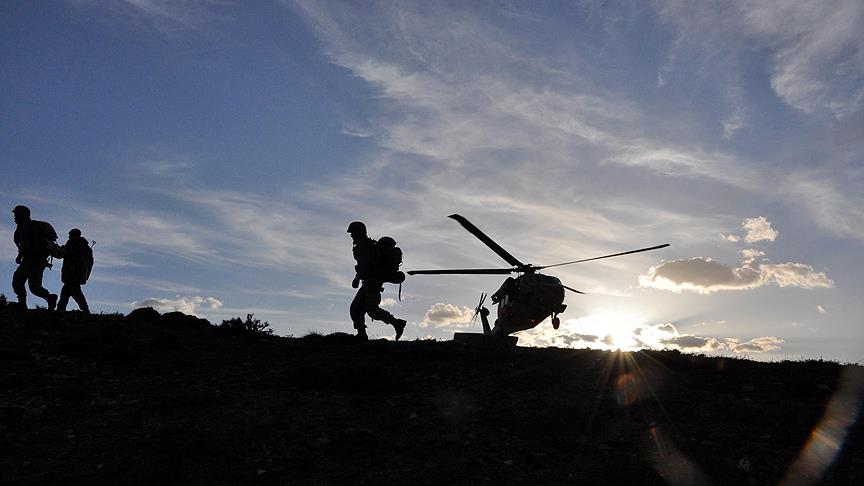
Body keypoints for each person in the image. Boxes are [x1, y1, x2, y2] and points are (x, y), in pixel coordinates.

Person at [347, 221, 407, 341]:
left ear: (359, 232)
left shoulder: (363, 245)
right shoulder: (367, 244)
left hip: (372, 282)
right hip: (370, 281)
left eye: (353, 232)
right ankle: (362, 334)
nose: (351, 235)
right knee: (356, 308)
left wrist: (357, 278)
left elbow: (365, 265)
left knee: (372, 310)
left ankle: (397, 323)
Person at [11, 205, 58, 310]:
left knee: (20, 282)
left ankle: (23, 303)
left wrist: (19, 256)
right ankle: (49, 298)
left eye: (16, 214)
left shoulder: (25, 227)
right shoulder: (28, 226)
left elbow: (26, 245)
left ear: (21, 215)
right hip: (38, 261)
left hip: (31, 261)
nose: (14, 217)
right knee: (33, 287)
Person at [55, 228, 93, 314]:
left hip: (74, 274)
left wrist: (62, 249)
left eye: (70, 235)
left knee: (75, 293)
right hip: (73, 274)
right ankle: (60, 309)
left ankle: (85, 310)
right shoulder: (79, 245)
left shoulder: (77, 245)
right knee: (66, 292)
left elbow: (69, 255)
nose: (69, 237)